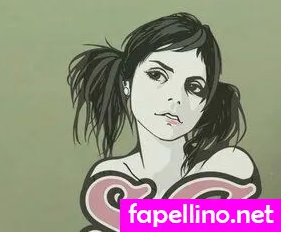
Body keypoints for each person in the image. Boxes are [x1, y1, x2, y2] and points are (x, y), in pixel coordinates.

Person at [69, 12, 261, 229]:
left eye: (194, 87)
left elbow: (260, 220)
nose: (176, 98)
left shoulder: (228, 163)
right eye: (157, 75)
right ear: (127, 83)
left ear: (206, 104)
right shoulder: (111, 176)